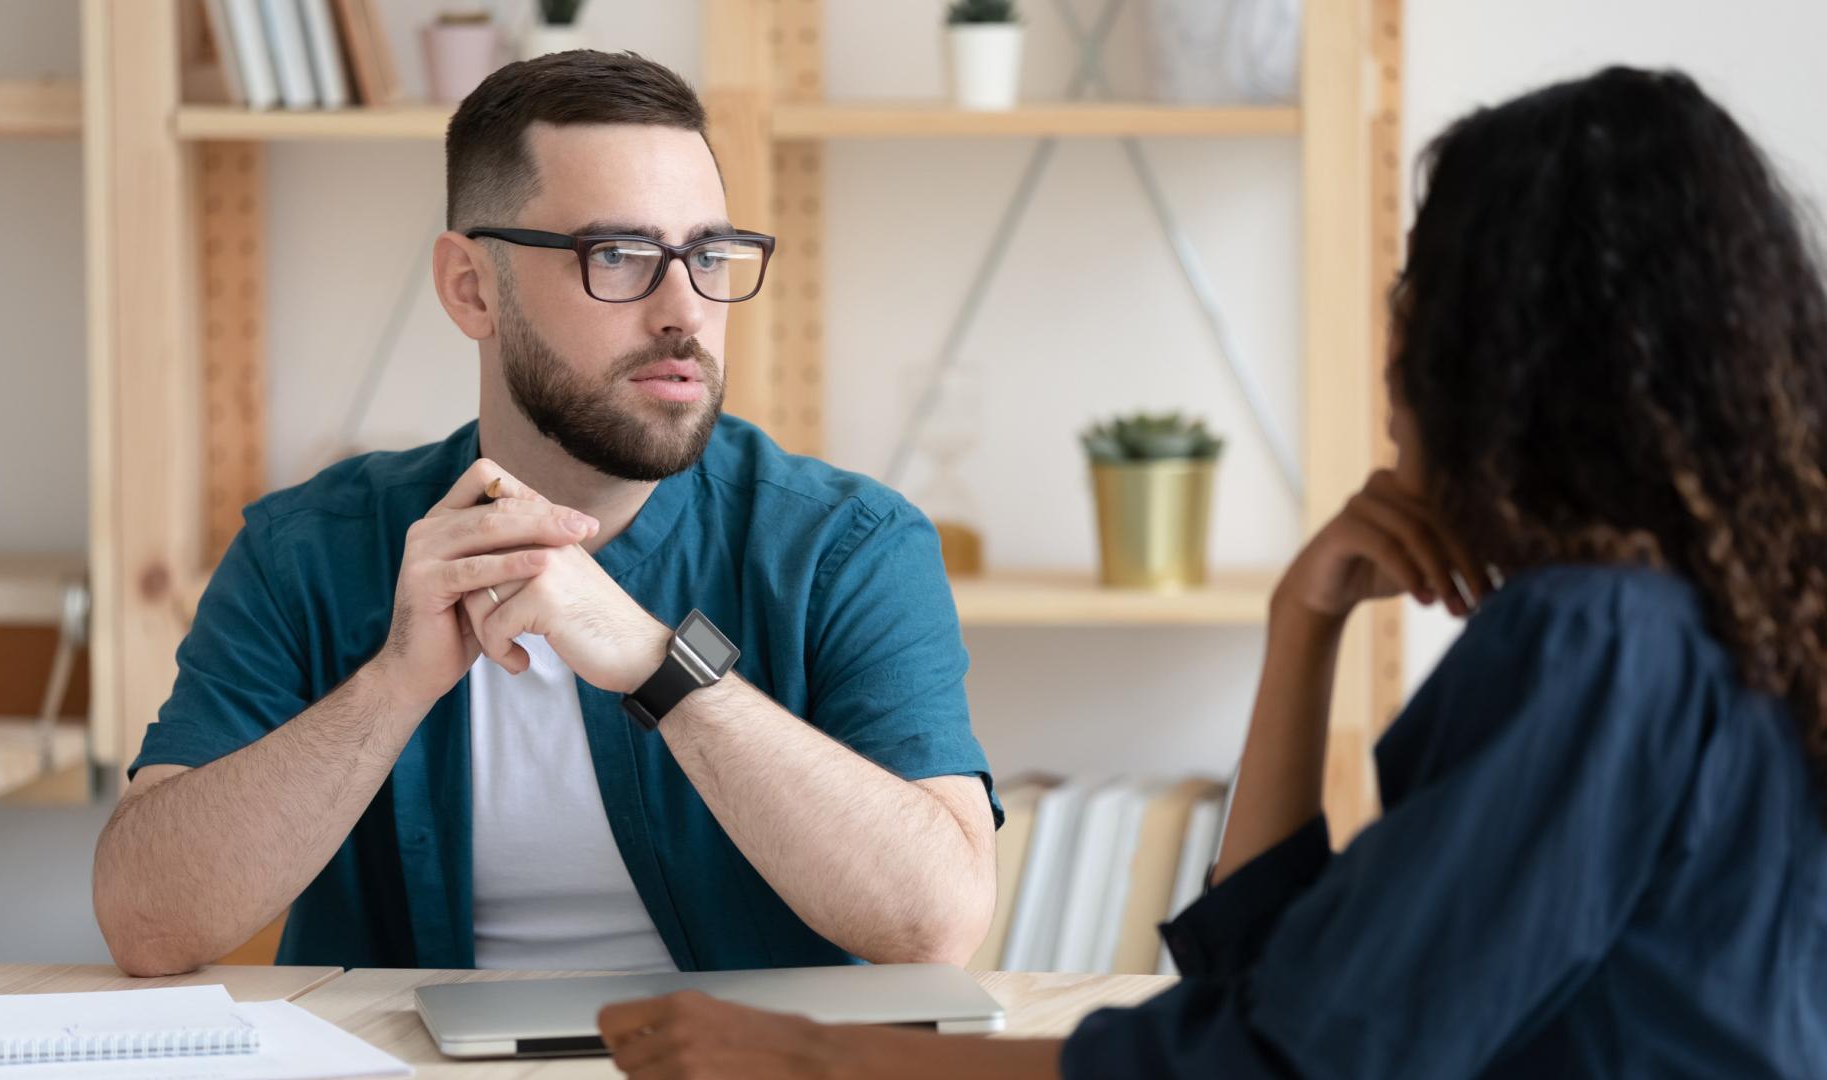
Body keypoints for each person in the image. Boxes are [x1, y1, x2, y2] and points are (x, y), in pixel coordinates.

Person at [594, 66, 1827, 1078]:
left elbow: (1286, 1066)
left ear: (1497, 353)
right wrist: (1305, 626)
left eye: (1421, 293)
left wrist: (816, 1062)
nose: (1395, 336)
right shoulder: (1723, 625)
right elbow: (1274, 982)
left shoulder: (1603, 640)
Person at [92, 50, 999, 977]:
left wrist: (657, 664)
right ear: (471, 288)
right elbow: (149, 924)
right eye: (618, 255)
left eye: (709, 255)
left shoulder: (845, 546)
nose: (684, 309)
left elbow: (934, 925)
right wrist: (394, 686)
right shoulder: (306, 552)